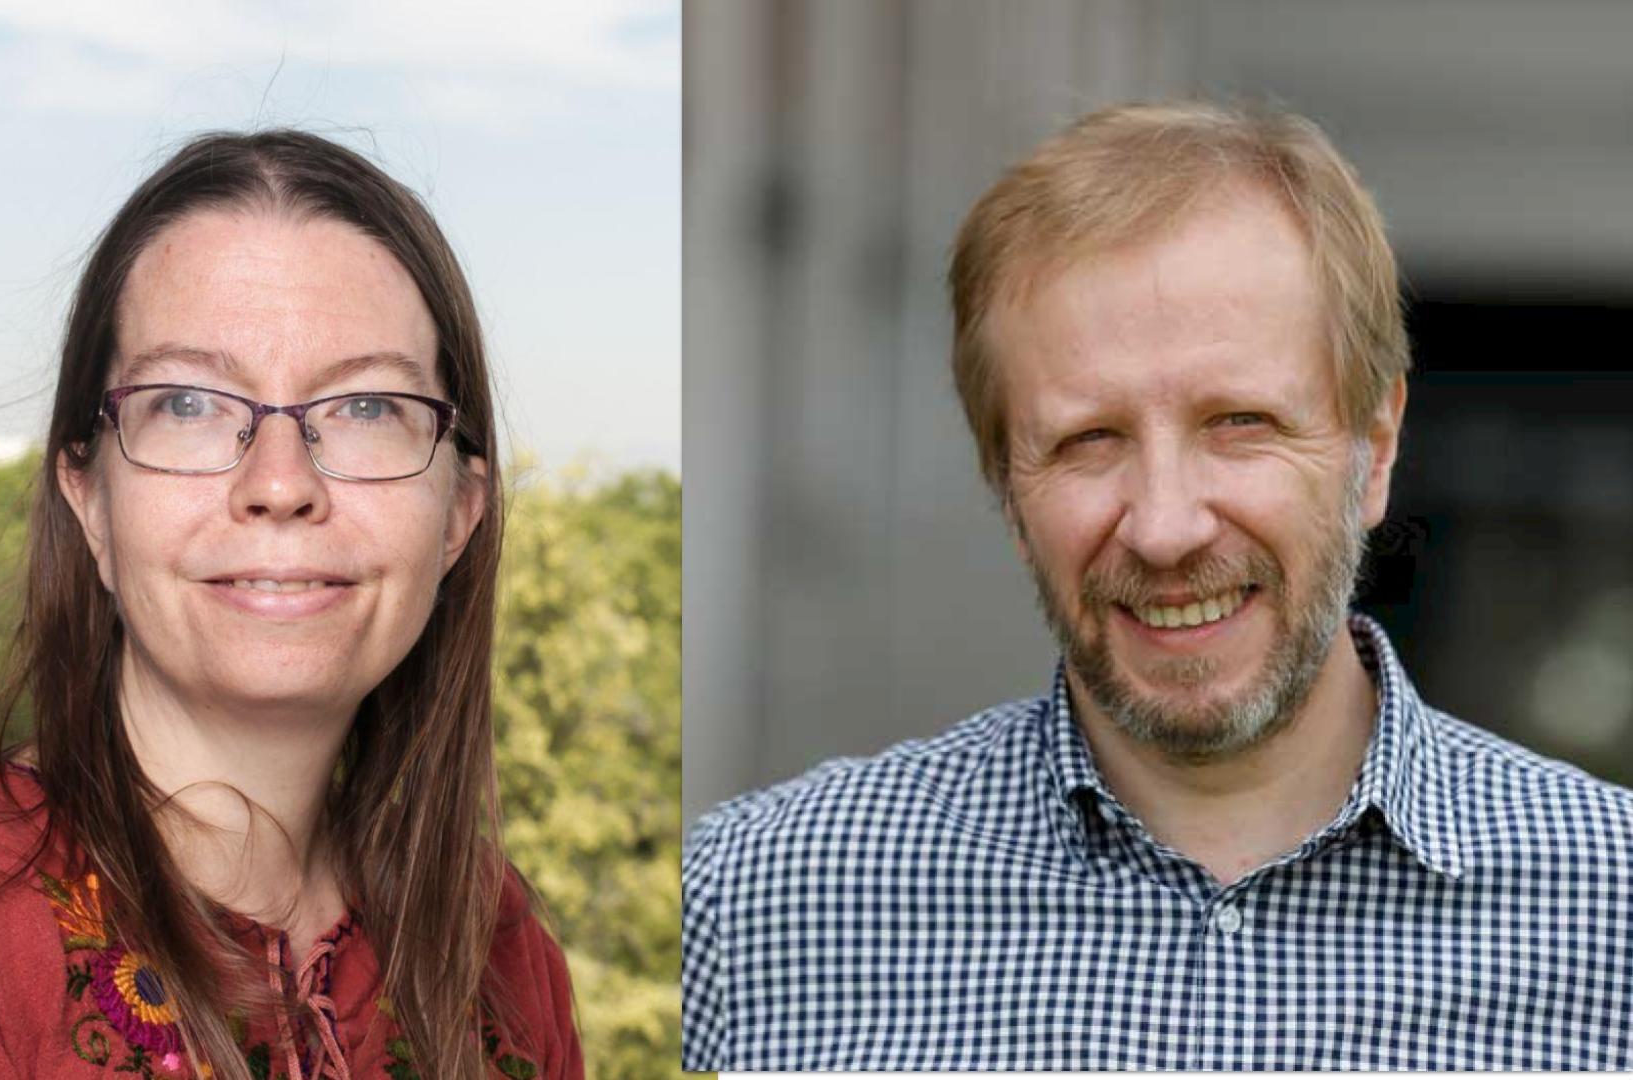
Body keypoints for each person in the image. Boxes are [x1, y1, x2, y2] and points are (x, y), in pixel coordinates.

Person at [682, 101, 1633, 1071]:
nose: (1166, 527)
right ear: (1005, 489)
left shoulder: (1613, 922)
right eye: (1088, 440)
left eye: (1239, 423)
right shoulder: (747, 909)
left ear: (1374, 449)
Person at [0, 131, 581, 1080]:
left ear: (459, 514)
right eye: (188, 403)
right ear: (88, 496)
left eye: (367, 406)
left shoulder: (494, 940)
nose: (279, 483)